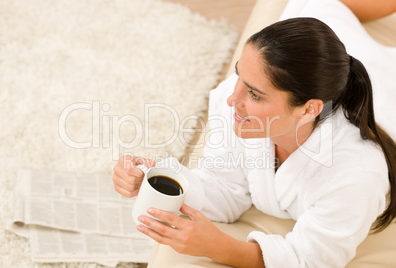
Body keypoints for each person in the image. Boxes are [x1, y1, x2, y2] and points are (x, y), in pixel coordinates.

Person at [112, 17, 396, 267]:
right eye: (239, 75)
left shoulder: (356, 172)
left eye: (255, 95)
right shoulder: (239, 109)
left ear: (309, 109)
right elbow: (226, 187)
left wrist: (219, 247)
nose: (232, 100)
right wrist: (155, 179)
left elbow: (310, 261)